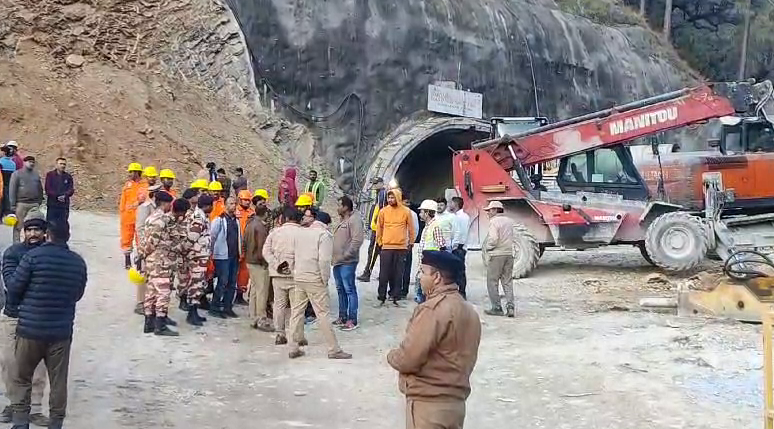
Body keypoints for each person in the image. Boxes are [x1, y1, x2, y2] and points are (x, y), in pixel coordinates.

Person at [6, 221, 87, 429]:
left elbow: (14, 287)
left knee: (21, 376)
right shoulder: (77, 262)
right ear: (67, 237)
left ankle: (21, 422)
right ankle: (56, 423)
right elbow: (77, 294)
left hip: (30, 330)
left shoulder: (33, 257)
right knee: (58, 381)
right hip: (60, 332)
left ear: (47, 235)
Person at [387, 250, 481, 429]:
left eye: (423, 272)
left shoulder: (432, 310)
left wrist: (392, 356)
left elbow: (408, 359)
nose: (420, 277)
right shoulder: (469, 311)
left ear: (437, 277)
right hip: (455, 405)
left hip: (429, 405)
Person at [0, 211, 49, 427]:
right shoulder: (12, 253)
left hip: (39, 317)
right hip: (13, 314)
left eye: (37, 229)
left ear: (45, 233)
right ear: (23, 232)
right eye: (29, 229)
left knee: (37, 365)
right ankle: (15, 403)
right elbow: (12, 286)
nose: (33, 234)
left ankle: (35, 408)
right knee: (9, 362)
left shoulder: (51, 254)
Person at [287, 205, 352, 360]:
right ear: (327, 223)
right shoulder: (324, 235)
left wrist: (295, 271)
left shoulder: (301, 233)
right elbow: (324, 261)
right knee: (322, 314)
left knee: (296, 312)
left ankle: (293, 347)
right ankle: (333, 349)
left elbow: (293, 255)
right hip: (314, 278)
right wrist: (324, 279)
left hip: (299, 277)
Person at [263, 206, 307, 346]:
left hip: (278, 275)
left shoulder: (275, 232)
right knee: (297, 307)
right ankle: (298, 336)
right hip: (297, 275)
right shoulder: (304, 233)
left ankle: (280, 334)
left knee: (279, 305)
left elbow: (266, 252)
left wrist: (277, 264)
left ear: (285, 218)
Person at [140, 191, 179, 336]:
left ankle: (148, 323)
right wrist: (145, 253)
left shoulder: (150, 218)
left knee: (151, 291)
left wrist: (142, 255)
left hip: (151, 261)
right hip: (160, 261)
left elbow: (144, 239)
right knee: (163, 292)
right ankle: (160, 325)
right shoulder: (161, 219)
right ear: (165, 203)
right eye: (170, 203)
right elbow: (152, 242)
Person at [375, 189, 415, 307]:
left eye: (392, 198)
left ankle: (395, 295)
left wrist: (411, 242)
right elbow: (379, 228)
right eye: (389, 198)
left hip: (401, 247)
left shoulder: (406, 211)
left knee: (398, 273)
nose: (390, 200)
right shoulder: (383, 212)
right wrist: (380, 242)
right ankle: (381, 296)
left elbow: (411, 229)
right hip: (386, 247)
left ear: (398, 198)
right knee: (384, 273)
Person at [332, 196, 364, 331]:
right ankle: (342, 316)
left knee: (349, 289)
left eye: (339, 205)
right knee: (340, 290)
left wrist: (346, 255)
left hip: (347, 262)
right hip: (338, 262)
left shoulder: (354, 220)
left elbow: (357, 241)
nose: (337, 208)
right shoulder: (343, 220)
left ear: (346, 207)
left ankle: (352, 319)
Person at [180, 194, 213, 325]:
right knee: (196, 284)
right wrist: (187, 252)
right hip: (197, 257)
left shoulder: (202, 216)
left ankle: (194, 312)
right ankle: (191, 314)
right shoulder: (199, 218)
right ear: (207, 206)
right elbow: (192, 237)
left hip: (200, 255)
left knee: (198, 284)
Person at [482, 201, 516, 318]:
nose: (488, 213)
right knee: (507, 281)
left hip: (497, 254)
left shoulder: (494, 222)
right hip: (509, 253)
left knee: (492, 281)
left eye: (489, 210)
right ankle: (510, 306)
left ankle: (497, 308)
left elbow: (493, 239)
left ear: (495, 210)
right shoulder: (510, 221)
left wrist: (487, 247)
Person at [244, 192, 272, 331]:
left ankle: (253, 318)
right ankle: (262, 319)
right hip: (258, 263)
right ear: (265, 214)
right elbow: (262, 249)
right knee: (262, 292)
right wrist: (266, 262)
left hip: (249, 261)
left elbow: (244, 243)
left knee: (254, 291)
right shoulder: (260, 227)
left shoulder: (250, 223)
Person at [133, 184, 162, 314]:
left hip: (154, 247)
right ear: (153, 195)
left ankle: (150, 302)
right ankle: (140, 303)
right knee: (143, 275)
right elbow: (140, 229)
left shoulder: (157, 207)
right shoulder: (145, 207)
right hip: (145, 246)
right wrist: (142, 248)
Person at [210, 197, 241, 319]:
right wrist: (211, 253)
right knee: (222, 282)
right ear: (225, 205)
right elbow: (212, 236)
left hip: (234, 255)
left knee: (232, 283)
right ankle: (215, 306)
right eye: (231, 204)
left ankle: (227, 306)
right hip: (222, 256)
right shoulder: (219, 220)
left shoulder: (236, 221)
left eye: (235, 203)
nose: (233, 206)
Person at [414, 200, 448, 304]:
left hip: (430, 261)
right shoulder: (427, 226)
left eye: (422, 212)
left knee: (427, 283)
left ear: (428, 213)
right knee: (420, 280)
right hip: (425, 261)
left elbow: (441, 245)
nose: (420, 214)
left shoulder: (435, 226)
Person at [358, 176, 388, 281]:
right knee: (378, 252)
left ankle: (367, 273)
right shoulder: (378, 194)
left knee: (373, 251)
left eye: (376, 184)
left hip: (378, 229)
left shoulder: (383, 194)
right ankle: (383, 274)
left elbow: (381, 210)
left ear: (381, 183)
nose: (374, 186)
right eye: (373, 184)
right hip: (375, 228)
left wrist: (376, 222)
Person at [9, 156, 44, 244]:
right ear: (24, 162)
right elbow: (12, 190)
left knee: (33, 224)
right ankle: (16, 244)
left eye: (33, 162)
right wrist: (13, 205)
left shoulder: (36, 175)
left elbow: (40, 189)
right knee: (18, 226)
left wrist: (39, 201)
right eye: (29, 162)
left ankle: (31, 243)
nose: (31, 163)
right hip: (21, 204)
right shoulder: (17, 174)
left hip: (34, 204)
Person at [119, 163, 144, 269]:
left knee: (140, 240)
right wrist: (122, 214)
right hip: (127, 217)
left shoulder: (145, 185)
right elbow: (122, 202)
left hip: (140, 216)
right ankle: (127, 261)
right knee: (126, 239)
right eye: (130, 172)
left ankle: (139, 262)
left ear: (137, 172)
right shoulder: (127, 186)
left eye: (132, 172)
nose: (130, 174)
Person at [234, 190, 255, 305]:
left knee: (244, 272)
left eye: (248, 200)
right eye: (245, 200)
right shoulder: (235, 211)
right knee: (232, 271)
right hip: (235, 244)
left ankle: (240, 294)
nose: (247, 202)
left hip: (247, 246)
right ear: (239, 199)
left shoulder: (252, 213)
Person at [449, 197, 470, 299]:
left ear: (456, 204)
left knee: (459, 271)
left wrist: (455, 245)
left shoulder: (460, 217)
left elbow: (460, 233)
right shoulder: (459, 216)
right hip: (459, 247)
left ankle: (461, 292)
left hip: (458, 247)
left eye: (451, 203)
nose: (450, 205)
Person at [43, 158, 74, 229]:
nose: (63, 166)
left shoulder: (68, 177)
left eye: (64, 164)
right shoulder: (50, 175)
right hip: (53, 205)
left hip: (64, 206)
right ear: (56, 165)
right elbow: (48, 189)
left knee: (62, 226)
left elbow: (71, 189)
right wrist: (57, 196)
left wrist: (64, 196)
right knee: (51, 226)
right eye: (61, 164)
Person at [400, 193, 420, 300]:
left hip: (407, 245)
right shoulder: (396, 213)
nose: (407, 204)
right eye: (405, 202)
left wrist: (411, 242)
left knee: (406, 269)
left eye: (408, 202)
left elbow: (415, 229)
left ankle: (404, 290)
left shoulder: (412, 214)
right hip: (396, 245)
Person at [0, 146, 16, 217]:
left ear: (3, 152)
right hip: (10, 184)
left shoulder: (1, 162)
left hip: (2, 183)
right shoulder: (13, 163)